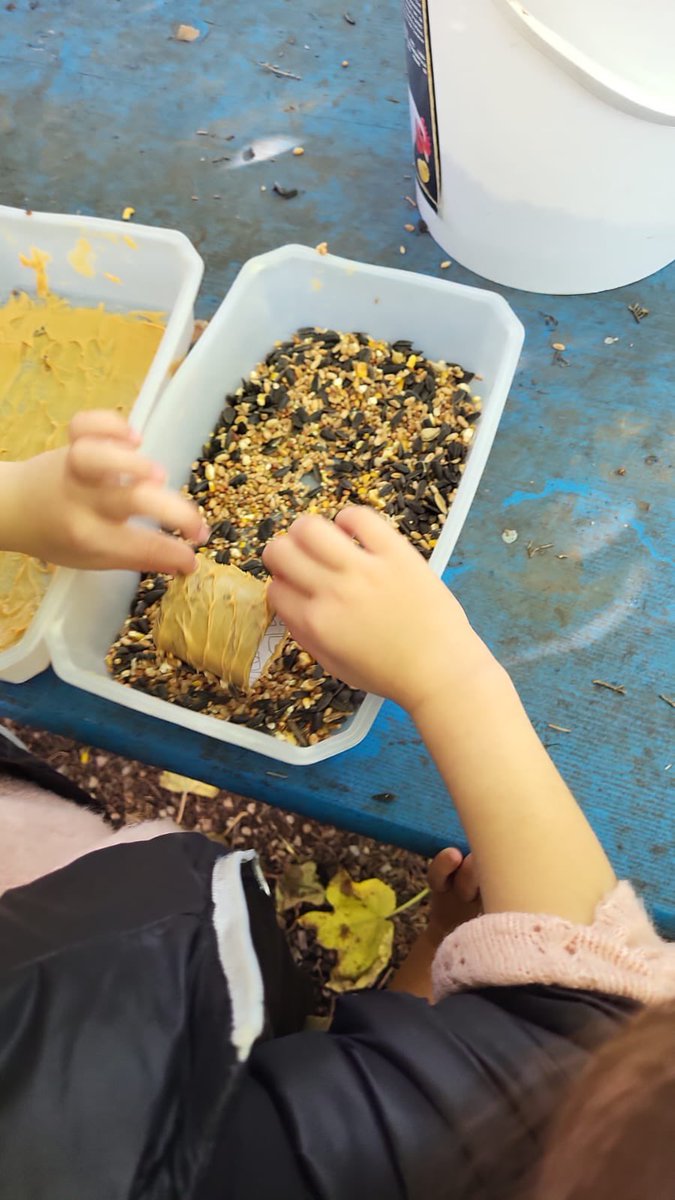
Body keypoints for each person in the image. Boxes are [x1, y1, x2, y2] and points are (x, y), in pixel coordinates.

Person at [0, 412, 673, 1200]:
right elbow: (571, 1014)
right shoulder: (456, 1131)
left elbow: (562, 1032)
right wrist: (466, 968)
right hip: (170, 967)